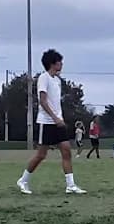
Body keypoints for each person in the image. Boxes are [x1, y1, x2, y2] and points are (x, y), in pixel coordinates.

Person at [16, 49, 86, 195]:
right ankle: (23, 180)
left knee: (66, 151)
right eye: (59, 61)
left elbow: (55, 102)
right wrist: (54, 118)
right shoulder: (44, 78)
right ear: (52, 63)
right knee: (41, 155)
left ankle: (70, 185)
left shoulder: (57, 81)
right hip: (46, 122)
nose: (62, 64)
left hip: (58, 123)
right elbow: (42, 101)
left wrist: (60, 118)